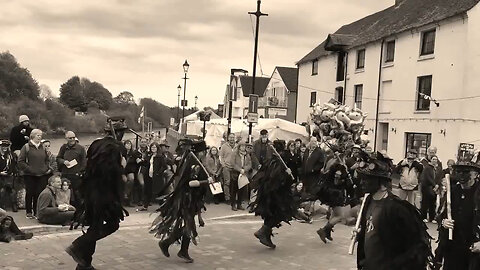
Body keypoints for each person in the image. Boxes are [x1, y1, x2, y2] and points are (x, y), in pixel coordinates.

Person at [66, 116, 129, 270]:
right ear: (119, 133)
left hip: (90, 192)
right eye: (122, 132)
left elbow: (90, 167)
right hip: (105, 193)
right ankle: (78, 245)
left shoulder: (96, 144)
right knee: (112, 225)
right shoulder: (116, 148)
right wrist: (121, 169)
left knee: (95, 226)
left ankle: (84, 264)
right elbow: (110, 172)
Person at [355, 151, 432, 270]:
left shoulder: (397, 208)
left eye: (367, 179)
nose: (362, 183)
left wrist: (395, 265)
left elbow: (418, 245)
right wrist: (361, 234)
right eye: (362, 178)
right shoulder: (368, 201)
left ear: (382, 183)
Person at [154, 139, 213, 263]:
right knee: (189, 225)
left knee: (189, 225)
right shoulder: (194, 165)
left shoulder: (197, 162)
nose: (205, 153)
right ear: (200, 152)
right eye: (204, 151)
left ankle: (175, 247)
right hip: (187, 198)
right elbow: (191, 183)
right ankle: (173, 246)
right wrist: (206, 182)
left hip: (193, 198)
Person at [433, 156, 480, 270]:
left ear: (475, 174)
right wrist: (444, 222)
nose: (462, 175)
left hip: (473, 246)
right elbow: (440, 214)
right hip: (453, 244)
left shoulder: (478, 193)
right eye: (458, 171)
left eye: (466, 172)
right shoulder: (452, 191)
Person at [249, 139, 296, 248]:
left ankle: (265, 234)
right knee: (280, 213)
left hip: (270, 193)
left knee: (272, 213)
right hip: (276, 194)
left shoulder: (271, 160)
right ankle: (263, 231)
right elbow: (277, 180)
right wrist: (287, 174)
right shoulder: (277, 163)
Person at [316, 162, 356, 244]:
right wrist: (343, 176)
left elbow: (347, 185)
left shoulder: (341, 170)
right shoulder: (336, 172)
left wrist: (347, 176)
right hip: (334, 195)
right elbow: (336, 183)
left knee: (334, 215)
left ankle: (327, 231)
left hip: (335, 195)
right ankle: (323, 230)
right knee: (340, 216)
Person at [17, 129, 51, 219]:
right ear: (33, 136)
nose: (40, 137)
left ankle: (37, 211)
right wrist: (29, 169)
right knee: (30, 193)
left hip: (42, 174)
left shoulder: (43, 147)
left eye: (40, 135)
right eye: (38, 135)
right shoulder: (26, 147)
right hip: (29, 175)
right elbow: (20, 161)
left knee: (39, 193)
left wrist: (46, 168)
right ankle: (29, 212)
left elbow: (47, 159)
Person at [56, 131, 87, 209]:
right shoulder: (63, 147)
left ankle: (78, 212)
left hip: (76, 175)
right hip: (65, 175)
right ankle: (67, 212)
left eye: (73, 137)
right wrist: (63, 162)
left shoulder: (81, 148)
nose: (72, 139)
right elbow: (58, 158)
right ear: (66, 138)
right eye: (70, 138)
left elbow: (84, 162)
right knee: (65, 194)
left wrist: (80, 172)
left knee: (77, 195)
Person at [137, 142, 163, 212]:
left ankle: (162, 206)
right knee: (147, 191)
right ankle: (145, 206)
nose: (153, 149)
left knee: (158, 191)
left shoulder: (160, 156)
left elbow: (163, 166)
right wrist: (141, 162)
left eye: (154, 147)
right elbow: (146, 164)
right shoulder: (149, 155)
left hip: (156, 176)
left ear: (157, 148)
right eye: (152, 147)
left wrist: (158, 173)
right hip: (148, 175)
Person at [420, 146, 443, 223]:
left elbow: (440, 176)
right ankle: (423, 217)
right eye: (431, 152)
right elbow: (427, 177)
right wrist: (434, 185)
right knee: (425, 202)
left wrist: (437, 185)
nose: (434, 160)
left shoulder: (439, 166)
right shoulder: (426, 165)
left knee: (433, 203)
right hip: (426, 186)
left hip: (435, 188)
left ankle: (432, 217)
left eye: (435, 159)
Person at [228, 141, 252, 211]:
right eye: (241, 146)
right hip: (235, 173)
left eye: (244, 146)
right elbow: (232, 163)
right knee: (234, 189)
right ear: (239, 147)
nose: (243, 148)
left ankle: (239, 204)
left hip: (243, 173)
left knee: (241, 189)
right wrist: (239, 169)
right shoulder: (234, 153)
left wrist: (244, 169)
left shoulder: (247, 155)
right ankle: (233, 204)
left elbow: (249, 164)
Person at [0, 140, 17, 212]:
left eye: (6, 146)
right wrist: (0, 173)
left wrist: (12, 172)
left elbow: (14, 165)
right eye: (3, 146)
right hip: (0, 176)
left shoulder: (11, 155)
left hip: (9, 175)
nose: (4, 148)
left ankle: (14, 204)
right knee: (2, 190)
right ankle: (1, 205)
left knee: (12, 190)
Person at [123, 140, 141, 206]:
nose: (128, 145)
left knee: (131, 179)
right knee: (124, 180)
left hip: (130, 170)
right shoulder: (121, 153)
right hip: (122, 171)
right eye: (127, 144)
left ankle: (126, 194)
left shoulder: (133, 154)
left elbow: (137, 161)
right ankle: (125, 196)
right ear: (124, 145)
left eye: (129, 144)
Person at [219, 133, 236, 203]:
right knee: (227, 182)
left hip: (235, 167)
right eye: (230, 137)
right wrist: (223, 165)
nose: (232, 139)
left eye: (233, 137)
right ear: (228, 138)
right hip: (226, 167)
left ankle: (234, 197)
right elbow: (221, 156)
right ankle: (227, 198)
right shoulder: (224, 146)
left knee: (234, 183)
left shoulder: (237, 146)